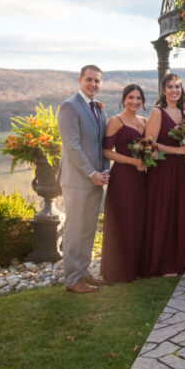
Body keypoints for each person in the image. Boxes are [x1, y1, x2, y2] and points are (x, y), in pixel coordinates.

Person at [58, 64, 110, 293]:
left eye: (97, 81)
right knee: (74, 229)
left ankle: (83, 271)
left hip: (96, 179)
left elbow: (103, 144)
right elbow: (73, 146)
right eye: (89, 80)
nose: (93, 84)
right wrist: (91, 173)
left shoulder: (98, 108)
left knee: (88, 228)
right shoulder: (70, 107)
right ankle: (72, 279)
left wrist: (104, 172)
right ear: (80, 80)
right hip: (78, 180)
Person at [141, 73, 185, 277]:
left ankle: (177, 259)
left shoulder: (183, 112)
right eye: (170, 87)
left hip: (181, 169)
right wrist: (179, 151)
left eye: (178, 87)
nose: (174, 90)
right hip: (162, 169)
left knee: (177, 212)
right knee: (163, 211)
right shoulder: (157, 112)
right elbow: (149, 142)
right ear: (163, 90)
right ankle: (161, 263)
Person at [101, 84, 149, 283]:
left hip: (142, 178)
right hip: (123, 177)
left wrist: (145, 161)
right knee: (124, 220)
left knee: (140, 220)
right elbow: (106, 151)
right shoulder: (116, 121)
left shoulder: (145, 121)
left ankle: (139, 266)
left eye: (138, 98)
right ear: (123, 99)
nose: (135, 102)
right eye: (131, 97)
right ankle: (120, 270)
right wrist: (133, 161)